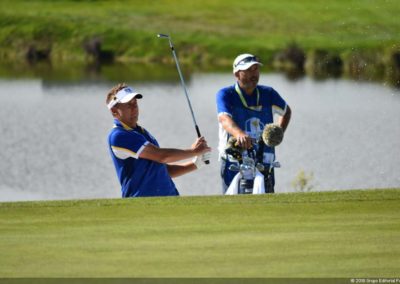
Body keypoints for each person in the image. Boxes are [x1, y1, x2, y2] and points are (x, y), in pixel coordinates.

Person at [106, 83, 211, 198]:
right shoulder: (119, 136)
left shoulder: (142, 133)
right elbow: (162, 156)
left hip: (170, 199)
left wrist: (195, 164)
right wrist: (194, 151)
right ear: (114, 111)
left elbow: (164, 170)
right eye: (128, 105)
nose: (134, 108)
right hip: (141, 205)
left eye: (135, 103)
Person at [216, 53, 291, 193]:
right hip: (234, 161)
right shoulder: (226, 94)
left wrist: (277, 133)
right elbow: (224, 119)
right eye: (248, 70)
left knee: (266, 208)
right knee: (233, 209)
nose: (254, 73)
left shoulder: (269, 93)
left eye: (256, 69)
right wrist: (239, 134)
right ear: (237, 74)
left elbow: (286, 112)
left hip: (265, 162)